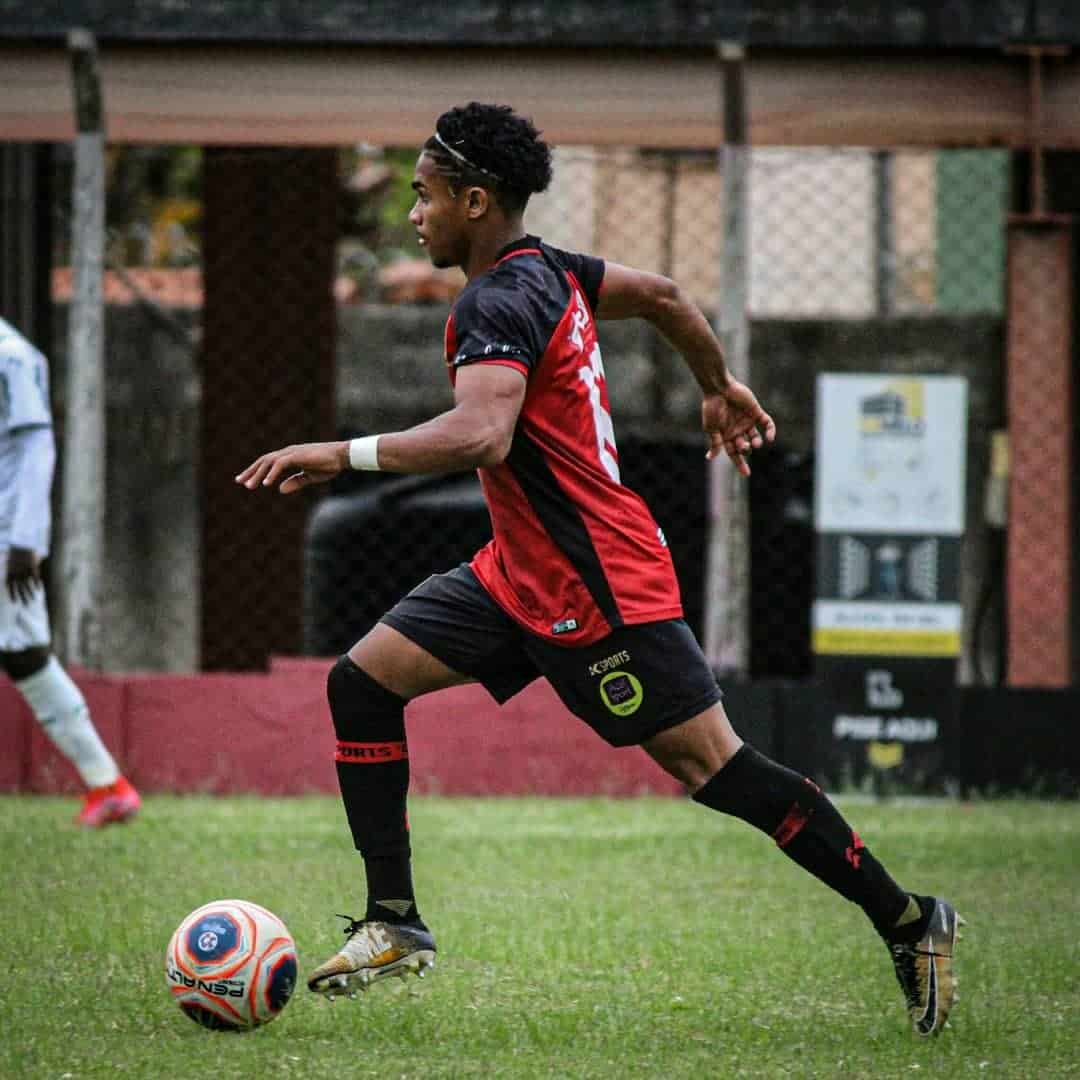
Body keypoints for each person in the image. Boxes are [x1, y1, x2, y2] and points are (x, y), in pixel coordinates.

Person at [237, 103, 961, 1035]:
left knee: (717, 770)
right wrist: (714, 385)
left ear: (474, 198)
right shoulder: (556, 274)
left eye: (423, 197)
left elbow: (482, 434)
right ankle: (394, 921)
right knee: (363, 684)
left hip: (601, 584)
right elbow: (662, 295)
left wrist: (342, 454)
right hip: (516, 573)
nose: (414, 215)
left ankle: (909, 920)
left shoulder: (496, 300)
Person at [0, 317, 140, 827]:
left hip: (5, 535)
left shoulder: (11, 355)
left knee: (26, 657)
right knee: (25, 657)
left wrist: (25, 541)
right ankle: (107, 784)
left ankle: (108, 784)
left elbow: (37, 448)